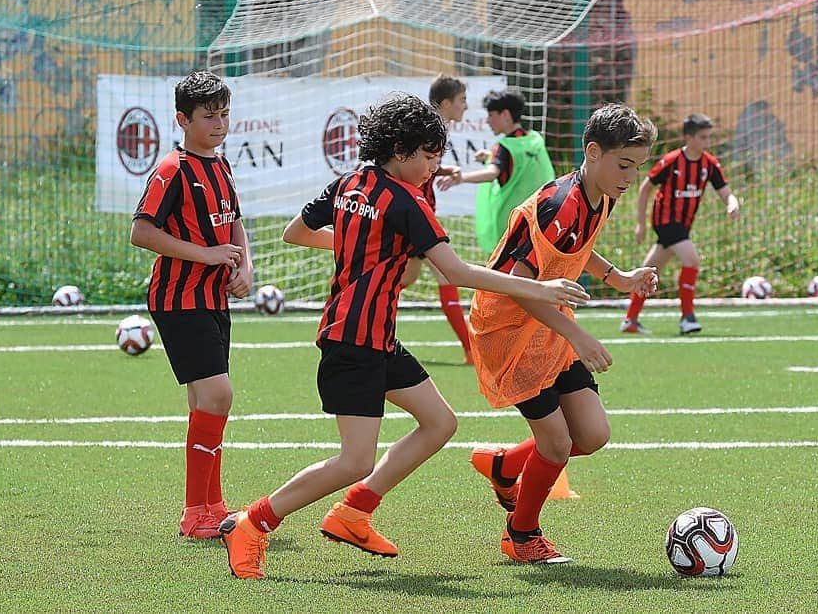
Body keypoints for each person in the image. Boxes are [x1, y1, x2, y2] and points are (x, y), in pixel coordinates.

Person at [218, 93, 590, 580]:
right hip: (355, 342)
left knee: (439, 422)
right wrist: (538, 286)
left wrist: (364, 244)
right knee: (354, 459)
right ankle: (252, 522)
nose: (435, 167)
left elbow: (295, 232)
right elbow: (454, 272)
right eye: (429, 155)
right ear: (399, 148)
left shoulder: (351, 182)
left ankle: (354, 512)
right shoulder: (405, 199)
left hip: (374, 338)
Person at [467, 103, 659, 564]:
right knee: (555, 442)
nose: (631, 176)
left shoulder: (602, 193)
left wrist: (620, 278)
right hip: (508, 327)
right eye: (624, 164)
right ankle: (522, 534)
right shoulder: (559, 203)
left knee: (590, 436)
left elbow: (579, 248)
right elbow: (520, 286)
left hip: (546, 322)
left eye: (638, 166)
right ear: (592, 153)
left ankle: (503, 465)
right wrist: (578, 336)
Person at [129, 70, 253, 539]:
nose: (219, 124)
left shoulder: (220, 165)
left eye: (224, 114)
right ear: (182, 119)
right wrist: (208, 255)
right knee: (219, 396)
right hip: (179, 299)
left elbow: (235, 223)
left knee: (206, 402)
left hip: (212, 298)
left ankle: (210, 505)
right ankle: (193, 513)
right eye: (208, 117)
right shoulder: (172, 170)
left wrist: (245, 269)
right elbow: (142, 232)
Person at [621, 113, 740, 336]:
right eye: (703, 137)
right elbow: (645, 188)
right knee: (692, 260)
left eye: (708, 137)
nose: (707, 142)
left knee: (649, 272)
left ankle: (630, 320)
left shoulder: (709, 164)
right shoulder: (672, 161)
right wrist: (641, 224)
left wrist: (732, 204)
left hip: (683, 226)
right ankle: (687, 317)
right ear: (688, 137)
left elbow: (725, 192)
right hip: (665, 221)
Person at [400, 74, 472, 364]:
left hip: (420, 211)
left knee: (408, 276)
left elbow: (422, 164)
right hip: (417, 213)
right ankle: (471, 350)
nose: (465, 107)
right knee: (447, 272)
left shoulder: (434, 130)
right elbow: (409, 166)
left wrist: (444, 170)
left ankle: (471, 350)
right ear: (445, 103)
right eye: (462, 101)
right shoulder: (431, 130)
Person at [438, 88, 556, 255]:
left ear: (505, 115)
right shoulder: (534, 139)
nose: (487, 121)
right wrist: (489, 157)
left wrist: (461, 178)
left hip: (513, 226)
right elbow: (519, 162)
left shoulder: (504, 147)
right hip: (542, 219)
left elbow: (492, 173)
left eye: (491, 115)